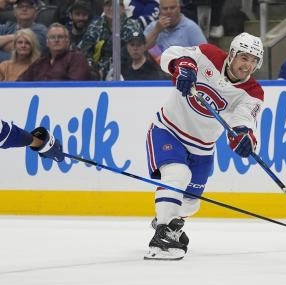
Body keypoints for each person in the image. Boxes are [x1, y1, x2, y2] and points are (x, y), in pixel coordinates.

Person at [145, 32, 264, 260]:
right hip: (168, 130)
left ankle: (168, 222)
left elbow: (243, 121)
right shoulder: (208, 54)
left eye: (253, 61)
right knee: (176, 174)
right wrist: (183, 66)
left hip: (202, 147)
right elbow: (170, 55)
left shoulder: (252, 92)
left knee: (190, 204)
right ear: (232, 54)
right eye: (244, 57)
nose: (247, 65)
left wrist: (243, 138)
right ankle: (161, 237)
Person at [78, 0, 141, 80]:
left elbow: (135, 50)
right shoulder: (94, 26)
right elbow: (85, 50)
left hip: (127, 69)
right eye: (108, 5)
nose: (112, 8)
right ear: (103, 8)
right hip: (97, 72)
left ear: (123, 8)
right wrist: (94, 68)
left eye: (115, 5)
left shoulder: (133, 25)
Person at [18, 22, 91, 80]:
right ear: (47, 42)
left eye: (60, 37)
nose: (56, 40)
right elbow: (20, 83)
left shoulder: (76, 58)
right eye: (52, 37)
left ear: (68, 41)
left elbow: (75, 86)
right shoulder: (40, 62)